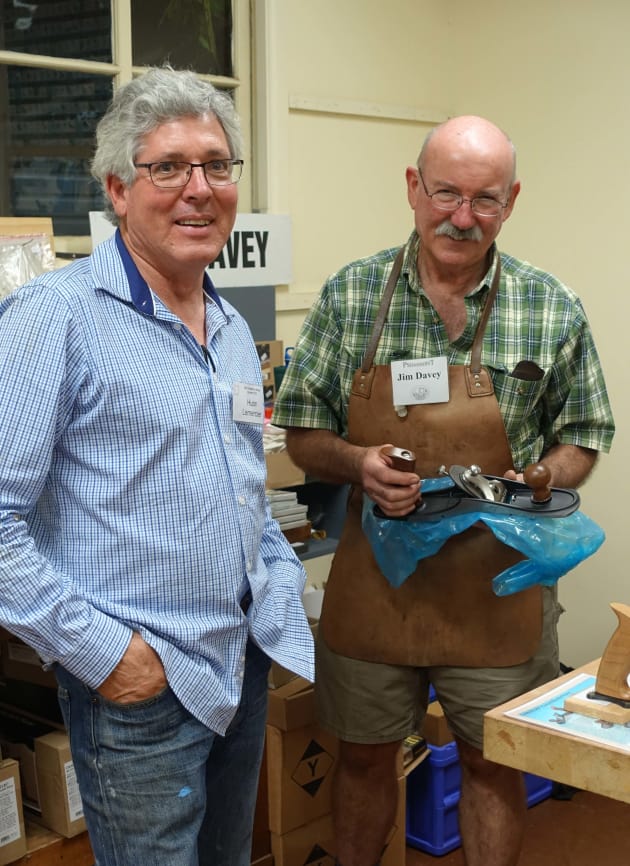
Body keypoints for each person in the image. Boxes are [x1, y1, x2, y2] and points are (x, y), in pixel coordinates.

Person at [272, 115, 614, 866]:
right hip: (374, 588)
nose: (462, 217)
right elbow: (299, 431)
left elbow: (586, 431)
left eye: (484, 200)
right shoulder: (355, 294)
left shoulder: (548, 304)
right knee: (362, 758)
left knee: (493, 762)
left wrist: (547, 476)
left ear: (512, 200)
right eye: (446, 193)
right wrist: (359, 463)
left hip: (495, 591)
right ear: (413, 188)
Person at [0, 66, 314, 866]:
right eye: (167, 167)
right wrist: (108, 657)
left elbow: (245, 481)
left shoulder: (230, 325)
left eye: (216, 165)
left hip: (237, 663)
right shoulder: (56, 318)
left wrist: (274, 583)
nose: (197, 188)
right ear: (117, 189)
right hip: (139, 694)